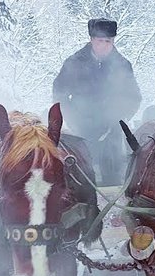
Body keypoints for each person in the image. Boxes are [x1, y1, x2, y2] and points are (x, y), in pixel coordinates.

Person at [52, 18, 142, 186]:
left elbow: (134, 97)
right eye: (100, 41)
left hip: (111, 132)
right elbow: (59, 94)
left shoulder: (122, 65)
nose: (104, 45)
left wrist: (116, 119)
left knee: (114, 176)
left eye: (108, 41)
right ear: (92, 40)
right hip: (79, 130)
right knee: (79, 176)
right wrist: (74, 120)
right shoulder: (74, 63)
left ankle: (112, 210)